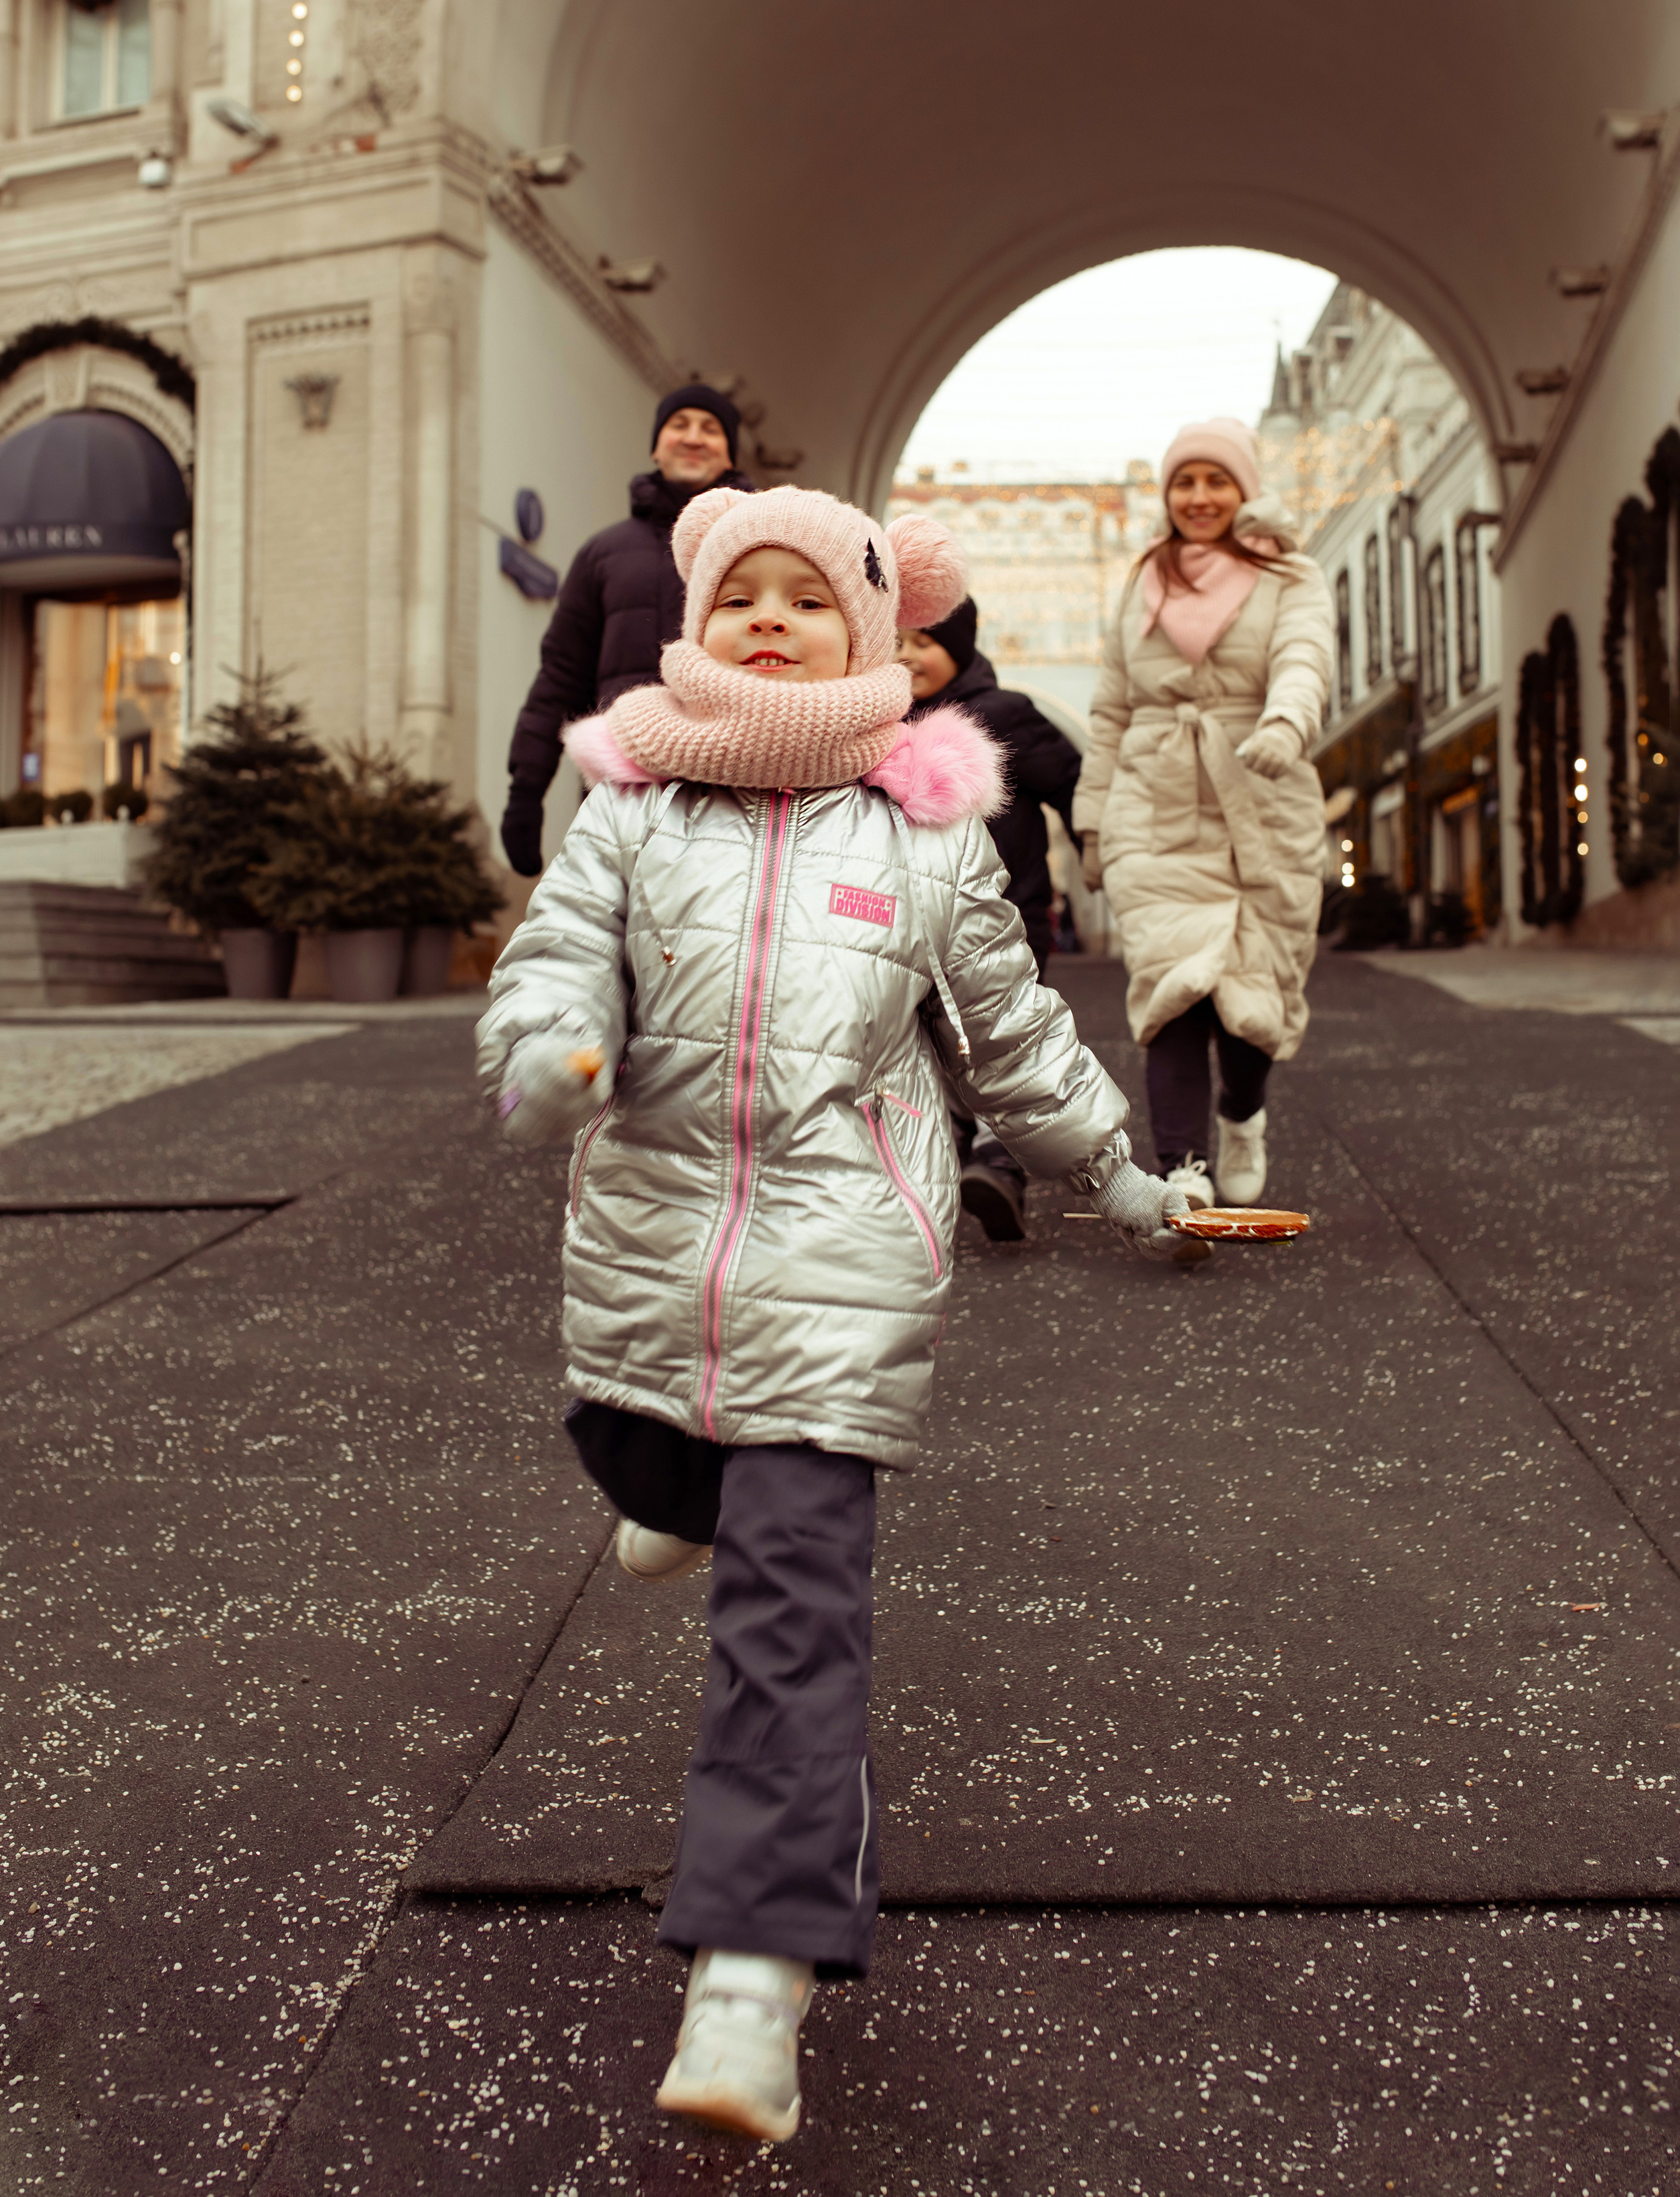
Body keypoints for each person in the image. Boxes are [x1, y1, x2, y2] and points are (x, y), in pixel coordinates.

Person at [478, 484, 1206, 2145]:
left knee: (793, 1616)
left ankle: (753, 1970)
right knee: (640, 1456)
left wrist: (1124, 1172)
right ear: (691, 620)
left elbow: (1013, 1033)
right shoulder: (634, 799)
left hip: (841, 1256)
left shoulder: (923, 828)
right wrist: (547, 1045)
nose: (768, 621)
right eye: (742, 594)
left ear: (871, 636)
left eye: (810, 600)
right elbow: (557, 951)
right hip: (653, 1247)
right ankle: (676, 1486)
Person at [1071, 417, 1334, 1214]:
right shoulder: (1143, 579)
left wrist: (1285, 723)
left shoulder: (1292, 575)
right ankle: (1183, 1170)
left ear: (1244, 488)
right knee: (1173, 991)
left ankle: (1242, 1113)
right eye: (1184, 481)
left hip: (1262, 795)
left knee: (1254, 998)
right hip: (1154, 806)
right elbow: (1112, 708)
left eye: (1215, 479)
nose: (1199, 496)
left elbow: (1304, 657)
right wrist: (1092, 820)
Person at [498, 383, 749, 877]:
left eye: (711, 429)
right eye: (679, 425)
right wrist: (527, 789)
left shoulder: (762, 545)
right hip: (622, 784)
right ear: (657, 445)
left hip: (736, 782)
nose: (693, 438)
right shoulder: (602, 554)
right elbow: (561, 678)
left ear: (730, 451)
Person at [900, 596, 1084, 1242]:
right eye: (892, 640)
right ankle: (953, 1154)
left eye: (922, 641)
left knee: (998, 1035)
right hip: (911, 918)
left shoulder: (1005, 715)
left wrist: (1096, 857)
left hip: (1009, 912)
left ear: (959, 645)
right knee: (926, 1038)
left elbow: (1071, 782)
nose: (904, 654)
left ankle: (999, 1165)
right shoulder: (878, 723)